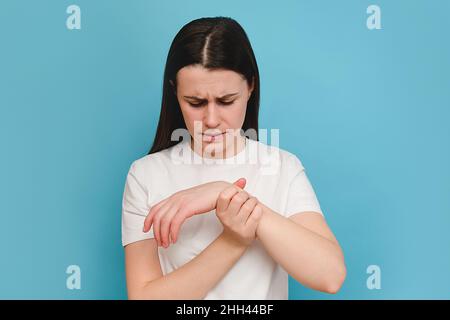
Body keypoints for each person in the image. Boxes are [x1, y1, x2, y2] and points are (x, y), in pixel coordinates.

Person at [121, 16, 346, 300]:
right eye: (195, 102)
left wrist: (222, 194)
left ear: (250, 87)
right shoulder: (145, 175)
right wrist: (233, 240)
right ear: (174, 91)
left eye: (226, 101)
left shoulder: (282, 168)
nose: (211, 119)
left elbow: (330, 275)